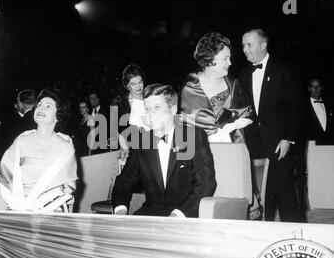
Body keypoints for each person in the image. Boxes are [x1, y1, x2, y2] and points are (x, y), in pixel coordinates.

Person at [111, 84, 216, 217]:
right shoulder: (141, 142)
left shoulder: (194, 136)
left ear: (173, 110)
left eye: (157, 107)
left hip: (185, 215)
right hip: (150, 215)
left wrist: (178, 214)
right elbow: (124, 182)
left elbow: (205, 184)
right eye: (147, 109)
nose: (150, 114)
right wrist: (121, 210)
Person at [239, 28, 304, 222]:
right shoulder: (243, 75)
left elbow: (297, 107)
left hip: (281, 145)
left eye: (249, 44)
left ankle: (295, 242)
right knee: (261, 197)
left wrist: (288, 139)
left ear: (263, 45)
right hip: (255, 146)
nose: (244, 49)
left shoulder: (285, 69)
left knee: (285, 194)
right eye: (243, 45)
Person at [0, 88, 78, 213]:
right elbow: (5, 175)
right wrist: (17, 204)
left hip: (52, 209)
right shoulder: (22, 140)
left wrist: (42, 205)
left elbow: (69, 187)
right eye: (39, 105)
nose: (41, 108)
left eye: (48, 106)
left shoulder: (65, 146)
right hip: (19, 207)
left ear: (58, 115)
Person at [180, 32, 253, 143]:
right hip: (201, 152)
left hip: (232, 149)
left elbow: (247, 113)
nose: (230, 63)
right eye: (225, 58)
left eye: (230, 58)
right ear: (210, 59)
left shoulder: (232, 84)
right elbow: (183, 129)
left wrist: (230, 127)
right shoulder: (190, 89)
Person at [305, 78, 334, 144]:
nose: (316, 88)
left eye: (318, 86)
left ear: (321, 88)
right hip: (312, 144)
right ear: (309, 88)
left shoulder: (330, 105)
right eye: (313, 86)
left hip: (330, 144)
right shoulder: (304, 106)